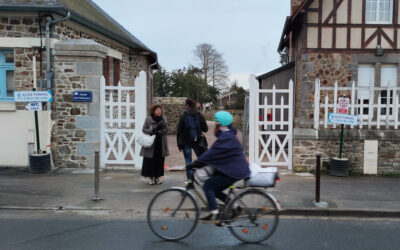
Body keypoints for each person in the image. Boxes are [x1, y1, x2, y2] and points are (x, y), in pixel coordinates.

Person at [187, 111, 250, 223]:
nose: (215, 124)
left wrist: (196, 163)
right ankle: (235, 207)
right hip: (232, 168)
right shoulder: (227, 134)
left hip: (233, 171)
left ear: (221, 123)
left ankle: (214, 213)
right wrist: (200, 162)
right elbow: (215, 152)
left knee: (208, 186)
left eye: (217, 122)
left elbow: (212, 153)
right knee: (214, 189)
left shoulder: (226, 137)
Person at [176, 99, 208, 181]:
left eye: (184, 104)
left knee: (188, 161)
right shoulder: (199, 115)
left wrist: (179, 144)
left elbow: (179, 130)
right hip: (197, 141)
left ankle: (190, 180)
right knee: (201, 159)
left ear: (187, 105)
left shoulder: (183, 116)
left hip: (186, 143)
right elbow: (205, 129)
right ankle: (203, 177)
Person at [140, 104, 169, 185]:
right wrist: (152, 130)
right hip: (151, 143)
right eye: (158, 110)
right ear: (153, 111)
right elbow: (144, 129)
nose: (159, 111)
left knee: (160, 160)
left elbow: (166, 129)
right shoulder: (148, 119)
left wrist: (160, 132)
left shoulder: (163, 119)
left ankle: (158, 177)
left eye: (160, 110)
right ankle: (151, 178)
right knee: (150, 161)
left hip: (160, 142)